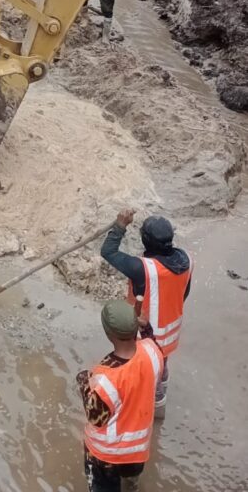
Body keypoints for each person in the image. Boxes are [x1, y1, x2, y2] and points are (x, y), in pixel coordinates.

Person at [100, 209, 191, 418]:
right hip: (170, 334)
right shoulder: (186, 260)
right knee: (161, 367)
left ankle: (149, 414)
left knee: (142, 375)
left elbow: (108, 252)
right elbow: (184, 292)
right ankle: (159, 405)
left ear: (145, 240)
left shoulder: (143, 268)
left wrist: (120, 226)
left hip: (145, 334)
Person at [77, 300, 163, 492]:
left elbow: (95, 418)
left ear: (109, 334)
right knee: (130, 484)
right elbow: (153, 341)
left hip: (107, 455)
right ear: (136, 327)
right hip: (138, 451)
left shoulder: (106, 377)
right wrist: (146, 327)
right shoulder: (153, 352)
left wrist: (83, 381)